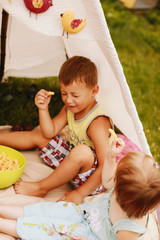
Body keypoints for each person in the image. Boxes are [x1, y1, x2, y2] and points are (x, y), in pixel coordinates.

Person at [0, 56, 113, 204]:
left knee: (83, 152)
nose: (68, 100)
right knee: (40, 136)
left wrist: (79, 194)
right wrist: (43, 109)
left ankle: (41, 187)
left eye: (75, 95)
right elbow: (49, 132)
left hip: (94, 180)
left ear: (94, 91)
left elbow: (104, 167)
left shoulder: (97, 122)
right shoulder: (70, 109)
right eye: (64, 93)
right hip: (73, 163)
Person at [0, 138, 159, 240]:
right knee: (47, 211)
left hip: (87, 235)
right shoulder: (125, 193)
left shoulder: (128, 229)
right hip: (82, 213)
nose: (113, 181)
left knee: (45, 233)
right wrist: (110, 157)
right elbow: (107, 180)